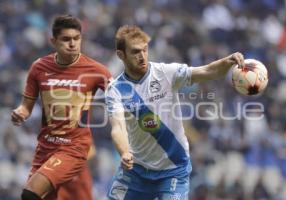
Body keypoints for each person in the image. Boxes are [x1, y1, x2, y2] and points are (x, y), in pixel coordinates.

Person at [105, 25, 244, 200]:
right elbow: (117, 127)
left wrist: (227, 61)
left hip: (173, 170)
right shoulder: (116, 89)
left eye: (145, 50)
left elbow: (207, 71)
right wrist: (124, 152)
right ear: (121, 55)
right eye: (135, 52)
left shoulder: (165, 72)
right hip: (137, 171)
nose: (142, 56)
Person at [11, 14, 112, 200]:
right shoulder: (39, 68)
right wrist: (20, 113)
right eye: (66, 39)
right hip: (45, 148)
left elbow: (122, 97)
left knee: (30, 194)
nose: (72, 44)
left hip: (73, 149)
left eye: (76, 39)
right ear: (53, 41)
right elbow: (26, 106)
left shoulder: (97, 71)